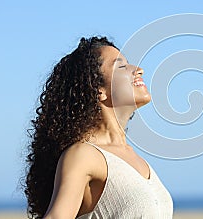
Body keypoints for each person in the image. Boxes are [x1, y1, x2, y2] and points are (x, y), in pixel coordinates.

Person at [24, 36, 174, 218]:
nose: (139, 70)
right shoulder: (83, 155)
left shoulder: (137, 160)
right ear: (98, 91)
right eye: (121, 66)